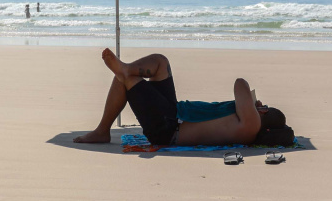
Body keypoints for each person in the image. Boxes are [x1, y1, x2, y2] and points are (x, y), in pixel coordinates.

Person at [73, 49, 286, 146]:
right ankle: (126, 68)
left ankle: (102, 131)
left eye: (262, 107)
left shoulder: (251, 125)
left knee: (125, 79)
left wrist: (253, 103)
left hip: (168, 129)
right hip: (174, 113)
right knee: (160, 62)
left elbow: (240, 83)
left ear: (264, 111)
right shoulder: (247, 124)